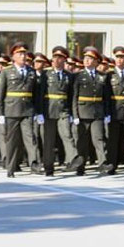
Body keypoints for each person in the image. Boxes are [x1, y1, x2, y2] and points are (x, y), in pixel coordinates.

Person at [0, 42, 43, 177]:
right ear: (13, 57)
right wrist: (0, 113)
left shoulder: (31, 71)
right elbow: (1, 94)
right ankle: (10, 168)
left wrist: (38, 112)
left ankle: (34, 164)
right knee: (12, 141)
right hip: (11, 110)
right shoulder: (6, 72)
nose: (23, 56)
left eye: (24, 54)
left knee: (31, 138)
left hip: (27, 110)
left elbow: (36, 94)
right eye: (19, 54)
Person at [71, 46, 114, 176]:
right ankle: (81, 166)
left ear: (96, 62)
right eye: (86, 58)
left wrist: (107, 113)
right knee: (82, 141)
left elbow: (106, 97)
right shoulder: (78, 76)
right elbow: (74, 97)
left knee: (99, 139)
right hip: (82, 111)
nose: (87, 60)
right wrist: (75, 115)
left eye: (91, 59)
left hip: (97, 112)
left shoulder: (102, 76)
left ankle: (103, 163)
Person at [40, 46, 82, 175]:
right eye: (55, 57)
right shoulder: (45, 74)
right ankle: (48, 167)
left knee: (67, 135)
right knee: (49, 141)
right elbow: (39, 94)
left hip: (63, 110)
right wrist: (39, 112)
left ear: (64, 60)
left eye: (61, 58)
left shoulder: (69, 76)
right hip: (48, 111)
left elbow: (71, 96)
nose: (57, 60)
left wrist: (73, 114)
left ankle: (74, 158)